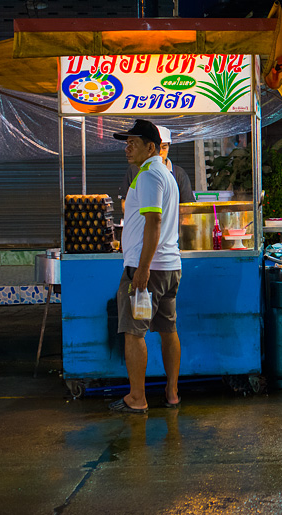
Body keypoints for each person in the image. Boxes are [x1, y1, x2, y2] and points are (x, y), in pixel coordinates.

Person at [109, 119, 183, 413]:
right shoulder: (164, 174)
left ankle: (137, 398)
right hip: (168, 267)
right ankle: (172, 393)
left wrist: (141, 269)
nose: (127, 148)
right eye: (126, 143)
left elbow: (154, 223)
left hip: (148, 271)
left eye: (133, 143)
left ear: (150, 147)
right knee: (167, 327)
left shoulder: (150, 175)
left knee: (134, 331)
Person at [122, 125, 195, 207]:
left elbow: (188, 206)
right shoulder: (134, 171)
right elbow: (125, 203)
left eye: (164, 147)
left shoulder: (178, 173)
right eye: (157, 148)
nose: (160, 152)